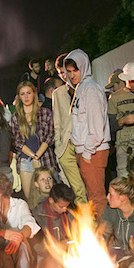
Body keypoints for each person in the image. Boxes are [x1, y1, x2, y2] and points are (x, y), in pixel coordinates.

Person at [64, 49, 111, 219]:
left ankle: (104, 238)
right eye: (68, 71)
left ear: (83, 67)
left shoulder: (90, 89)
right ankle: (98, 235)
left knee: (96, 196)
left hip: (92, 151)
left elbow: (97, 126)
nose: (71, 75)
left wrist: (87, 152)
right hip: (85, 151)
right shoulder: (81, 88)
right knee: (92, 196)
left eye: (75, 70)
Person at [11, 80, 59, 207]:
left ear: (34, 93)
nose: (26, 97)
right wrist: (33, 156)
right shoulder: (16, 117)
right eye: (22, 94)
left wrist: (37, 156)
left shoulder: (45, 112)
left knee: (49, 197)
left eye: (28, 93)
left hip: (45, 158)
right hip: (26, 160)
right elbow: (17, 142)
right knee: (30, 199)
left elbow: (49, 137)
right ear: (19, 96)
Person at [52, 53, 87, 203]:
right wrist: (59, 146)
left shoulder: (87, 88)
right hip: (66, 144)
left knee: (89, 186)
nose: (64, 76)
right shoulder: (58, 93)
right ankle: (86, 223)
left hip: (85, 143)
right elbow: (57, 121)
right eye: (60, 73)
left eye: (65, 72)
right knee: (77, 188)